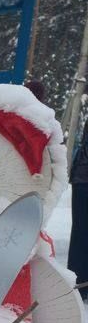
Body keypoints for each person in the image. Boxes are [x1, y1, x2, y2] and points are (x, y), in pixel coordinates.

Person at [69, 118, 88, 300]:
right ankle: (79, 285)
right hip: (84, 181)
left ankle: (79, 284)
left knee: (80, 233)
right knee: (81, 234)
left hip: (81, 180)